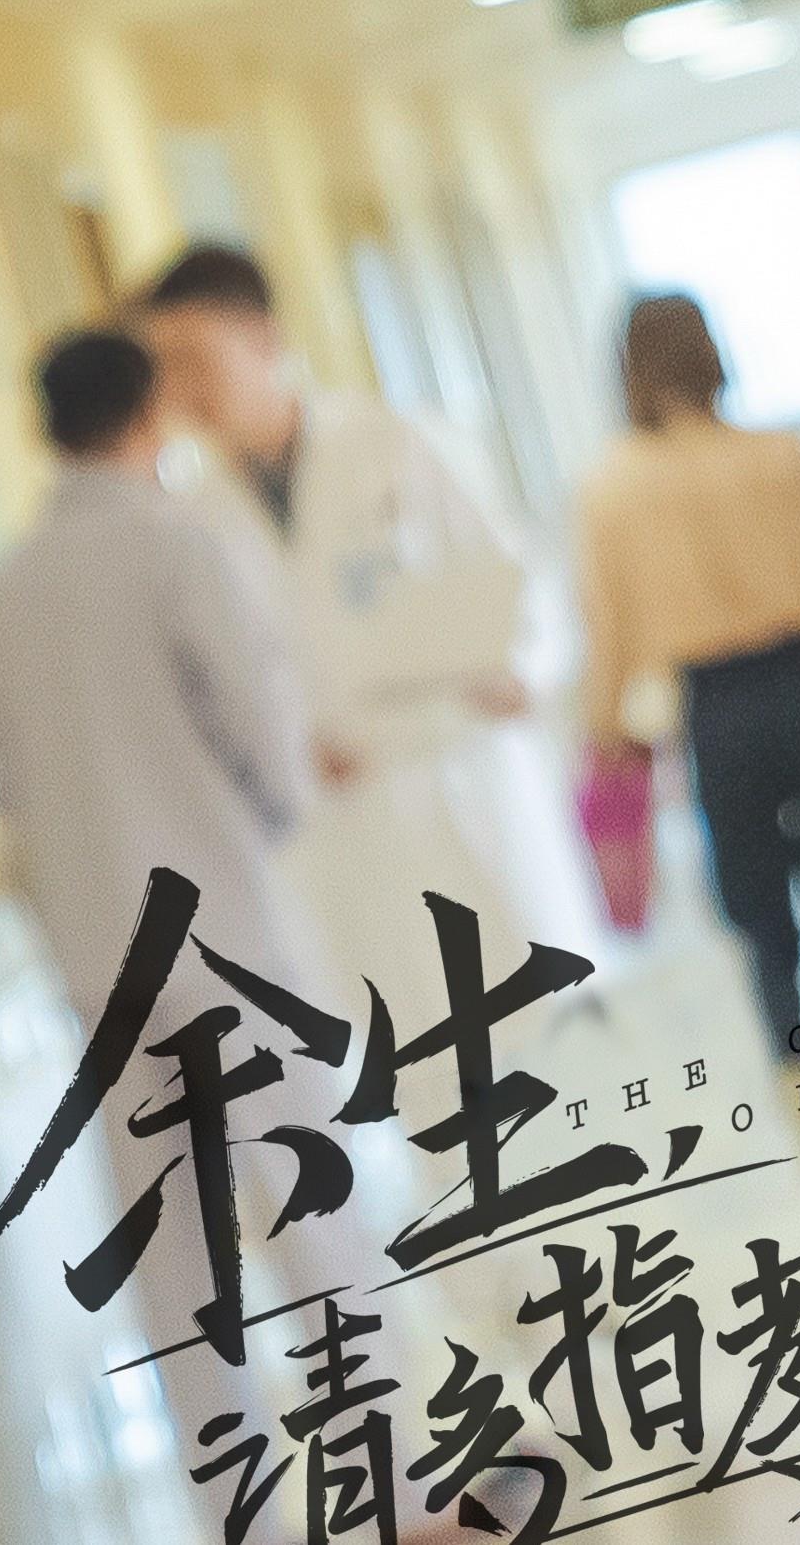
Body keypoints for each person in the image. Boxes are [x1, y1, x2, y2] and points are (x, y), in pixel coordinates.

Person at [0, 331, 353, 1471]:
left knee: (174, 1252)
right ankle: (380, 1482)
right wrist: (275, 813)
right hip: (222, 935)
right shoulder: (177, 546)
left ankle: (232, 1509)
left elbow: (10, 792)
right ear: (146, 416)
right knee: (310, 1207)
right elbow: (262, 735)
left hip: (101, 966)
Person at [136, 244, 559, 1028]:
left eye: (194, 358)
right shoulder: (194, 520)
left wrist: (520, 670)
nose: (180, 388)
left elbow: (520, 589)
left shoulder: (396, 442)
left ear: (263, 337)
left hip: (458, 780)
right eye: (163, 367)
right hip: (340, 827)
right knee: (407, 1051)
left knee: (528, 1035)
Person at [572, 292, 800, 1180]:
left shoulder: (613, 489)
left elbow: (609, 628)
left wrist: (603, 728)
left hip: (718, 711)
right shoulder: (780, 459)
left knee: (760, 922)